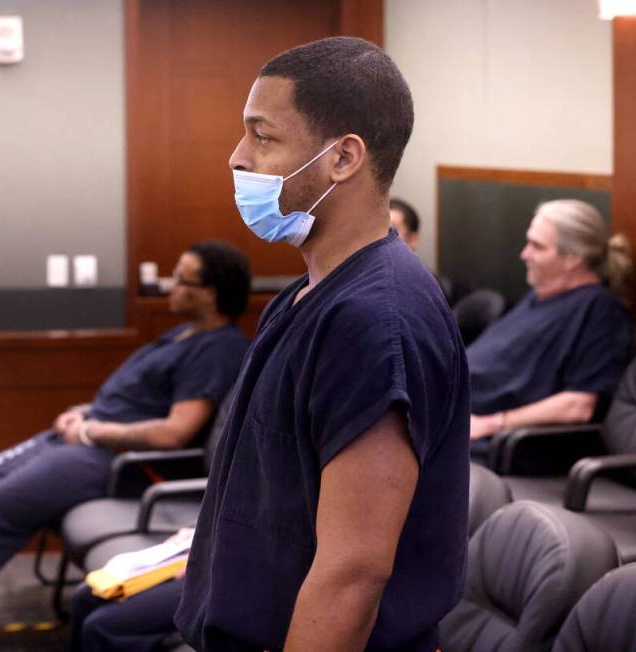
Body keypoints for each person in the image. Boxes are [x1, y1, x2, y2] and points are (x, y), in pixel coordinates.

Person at [176, 37, 469, 651]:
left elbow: (352, 574)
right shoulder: (309, 293)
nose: (237, 158)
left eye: (263, 136)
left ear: (343, 159)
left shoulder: (375, 320)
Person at [0, 240, 252, 652]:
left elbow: (173, 433)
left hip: (116, 461)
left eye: (181, 279)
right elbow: (135, 399)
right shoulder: (181, 334)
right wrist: (86, 413)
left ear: (210, 293)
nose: (170, 286)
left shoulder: (219, 349)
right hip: (85, 438)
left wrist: (93, 430)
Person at [467, 199, 633, 458]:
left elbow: (578, 406)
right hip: (451, 418)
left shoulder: (599, 311)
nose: (525, 254)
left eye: (537, 246)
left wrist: (492, 423)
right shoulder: (539, 297)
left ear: (573, 258)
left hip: (498, 441)